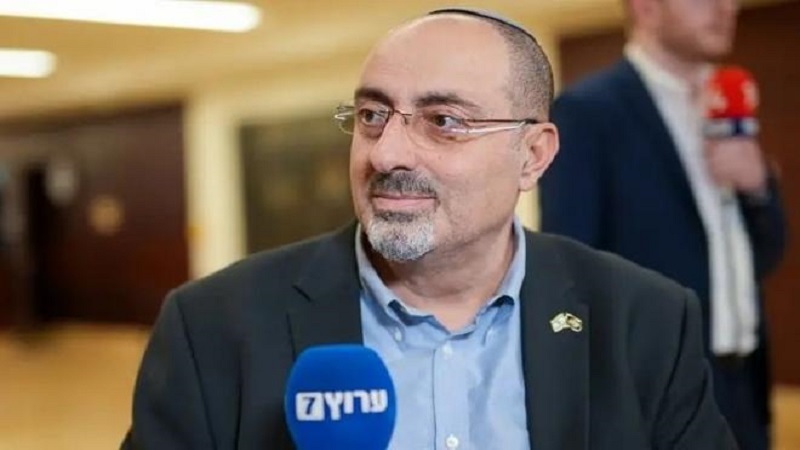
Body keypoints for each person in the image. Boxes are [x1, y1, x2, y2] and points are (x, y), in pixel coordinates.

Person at [123, 8, 738, 450]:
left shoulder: (646, 320)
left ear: (533, 155)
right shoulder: (212, 327)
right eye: (372, 115)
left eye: (443, 121)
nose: (386, 152)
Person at [538, 0, 787, 449]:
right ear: (647, 8)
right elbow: (570, 273)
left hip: (743, 386)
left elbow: (766, 256)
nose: (726, 8)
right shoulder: (587, 112)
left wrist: (758, 189)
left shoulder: (729, 106)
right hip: (652, 391)